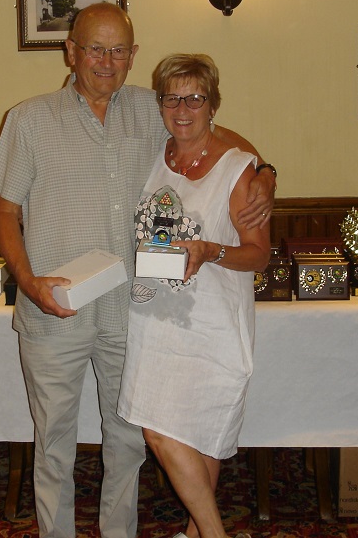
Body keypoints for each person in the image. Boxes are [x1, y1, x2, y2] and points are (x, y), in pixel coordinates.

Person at [0, 2, 275, 538]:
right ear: (70, 51)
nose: (106, 60)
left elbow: (228, 143)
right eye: (95, 47)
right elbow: (4, 212)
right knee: (54, 446)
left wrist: (267, 176)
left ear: (133, 55)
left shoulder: (153, 109)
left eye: (119, 49)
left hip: (130, 315)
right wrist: (27, 282)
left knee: (127, 444)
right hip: (53, 314)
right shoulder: (27, 120)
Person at [117, 54, 271, 538]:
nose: (182, 108)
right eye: (172, 98)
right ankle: (197, 532)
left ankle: (212, 534)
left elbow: (258, 256)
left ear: (212, 105)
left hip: (211, 326)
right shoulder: (154, 157)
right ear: (160, 102)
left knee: (166, 433)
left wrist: (210, 251)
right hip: (153, 321)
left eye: (195, 98)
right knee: (187, 437)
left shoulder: (238, 170)